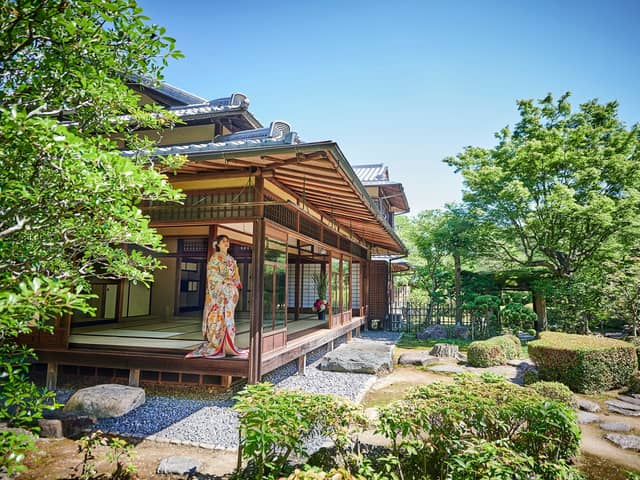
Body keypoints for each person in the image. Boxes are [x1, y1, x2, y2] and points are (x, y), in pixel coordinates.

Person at [186, 235, 247, 358]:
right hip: (218, 294)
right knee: (217, 318)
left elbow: (236, 277)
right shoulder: (215, 258)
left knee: (229, 319)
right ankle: (216, 345)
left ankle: (228, 345)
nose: (226, 243)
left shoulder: (231, 259)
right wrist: (225, 281)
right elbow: (212, 275)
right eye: (223, 241)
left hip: (230, 293)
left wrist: (234, 283)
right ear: (217, 244)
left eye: (227, 241)